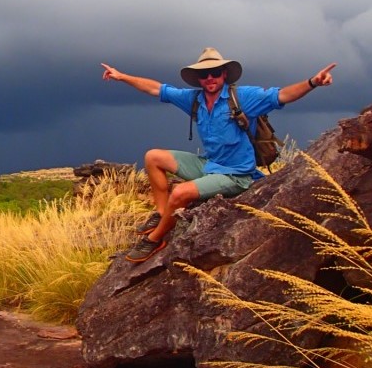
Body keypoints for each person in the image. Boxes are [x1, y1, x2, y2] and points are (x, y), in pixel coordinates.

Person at [101, 48, 336, 263]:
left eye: (214, 72)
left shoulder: (242, 97)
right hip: (211, 165)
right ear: (199, 79)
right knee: (153, 156)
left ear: (224, 74)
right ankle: (162, 213)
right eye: (204, 75)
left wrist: (313, 82)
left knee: (181, 192)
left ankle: (155, 239)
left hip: (237, 175)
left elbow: (282, 96)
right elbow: (156, 89)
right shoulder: (194, 99)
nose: (210, 78)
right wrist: (122, 77)